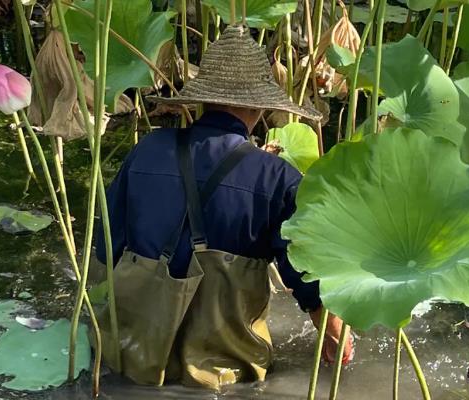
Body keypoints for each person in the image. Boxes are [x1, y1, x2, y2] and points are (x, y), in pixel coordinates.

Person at [94, 24, 353, 390]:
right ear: (260, 104)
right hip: (226, 375)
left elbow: (105, 247)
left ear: (202, 98)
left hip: (131, 356)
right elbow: (305, 277)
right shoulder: (277, 179)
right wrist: (334, 333)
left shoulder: (146, 151)